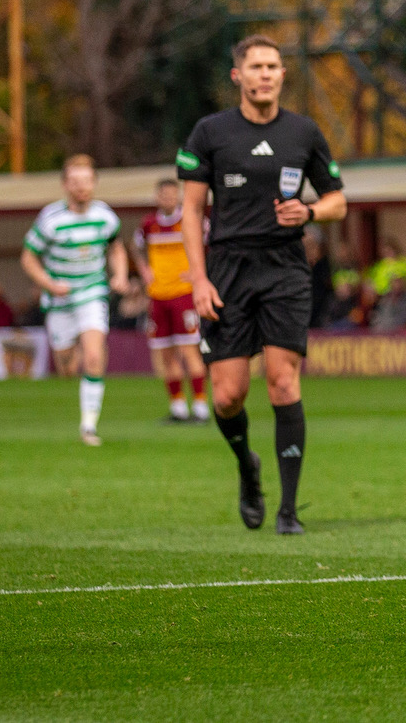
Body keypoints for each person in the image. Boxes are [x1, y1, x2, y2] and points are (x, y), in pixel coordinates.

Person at [178, 34, 347, 535]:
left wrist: (312, 211)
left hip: (285, 270)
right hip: (227, 271)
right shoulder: (209, 132)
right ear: (238, 76)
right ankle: (247, 471)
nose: (266, 74)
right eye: (256, 66)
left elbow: (339, 200)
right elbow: (189, 212)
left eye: (273, 65)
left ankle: (288, 509)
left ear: (282, 74)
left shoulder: (304, 132)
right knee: (228, 395)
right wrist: (199, 280)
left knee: (282, 381)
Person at [20, 155, 129, 447]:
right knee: (67, 367)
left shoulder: (105, 215)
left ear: (94, 183)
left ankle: (89, 426)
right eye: (75, 182)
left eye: (86, 181)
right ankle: (72, 353)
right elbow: (28, 257)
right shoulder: (51, 219)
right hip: (60, 299)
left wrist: (119, 274)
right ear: (65, 185)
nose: (81, 187)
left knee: (94, 357)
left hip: (92, 292)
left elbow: (116, 248)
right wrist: (49, 284)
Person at [132, 179, 210, 424]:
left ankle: (200, 406)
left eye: (172, 194)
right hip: (158, 295)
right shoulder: (149, 224)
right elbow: (135, 247)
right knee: (166, 353)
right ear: (157, 197)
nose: (168, 199)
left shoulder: (189, 220)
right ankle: (178, 407)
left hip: (184, 294)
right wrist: (144, 269)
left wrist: (200, 272)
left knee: (189, 351)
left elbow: (212, 243)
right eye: (163, 195)